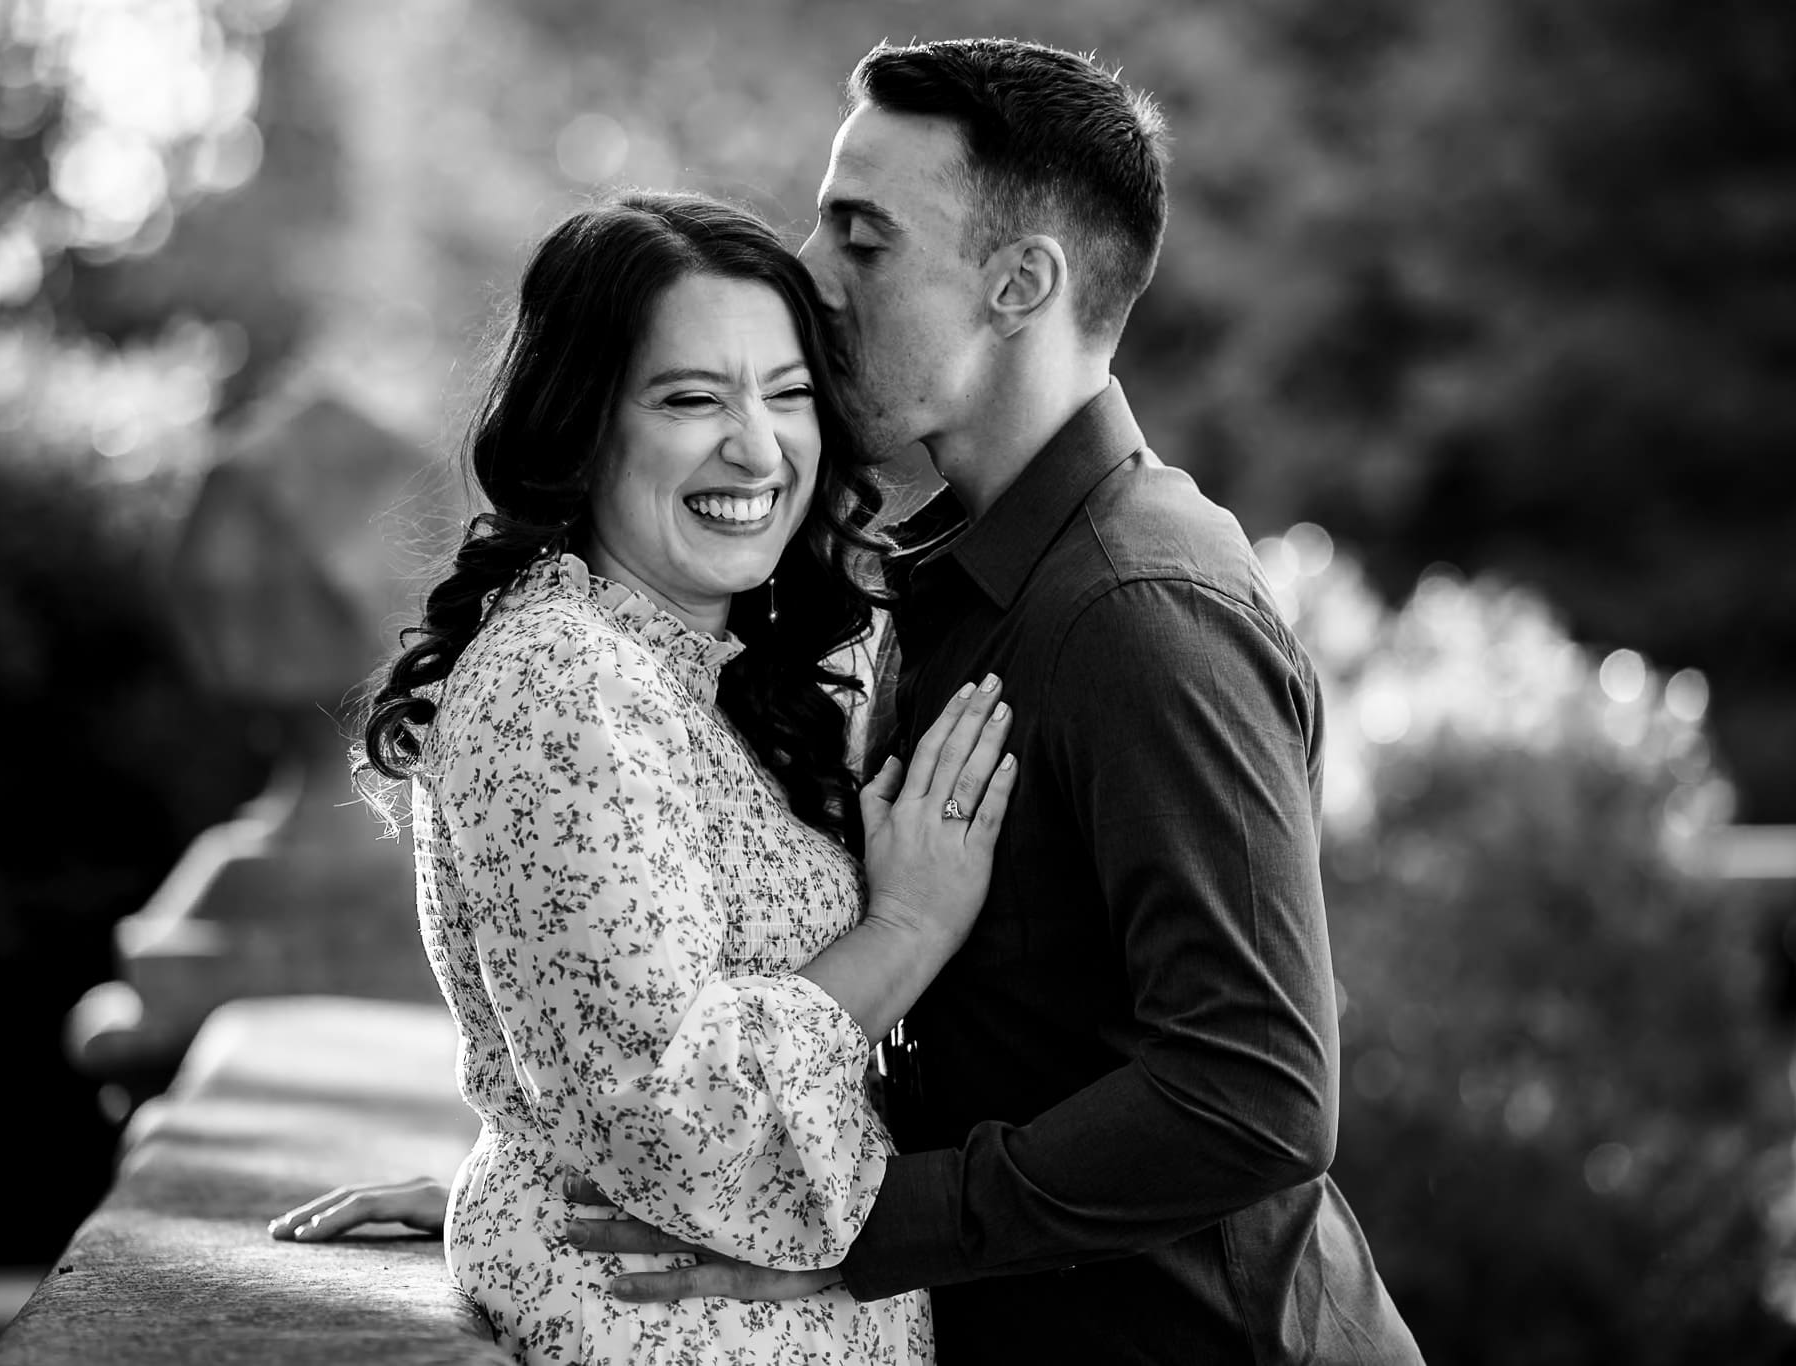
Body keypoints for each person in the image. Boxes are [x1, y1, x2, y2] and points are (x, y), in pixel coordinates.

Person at [566, 38, 1426, 1365]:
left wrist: (862, 1224)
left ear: (1021, 283)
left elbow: (1255, 1090)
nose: (806, 270)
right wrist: (563, 1184)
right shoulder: (961, 575)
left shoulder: (1143, 614)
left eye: (863, 236)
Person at [269, 192, 1019, 1364]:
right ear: (582, 427)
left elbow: (607, 1057)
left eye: (785, 394)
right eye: (690, 398)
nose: (758, 448)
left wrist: (536, 1158)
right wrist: (908, 927)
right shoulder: (562, 679)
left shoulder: (705, 667)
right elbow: (661, 1110)